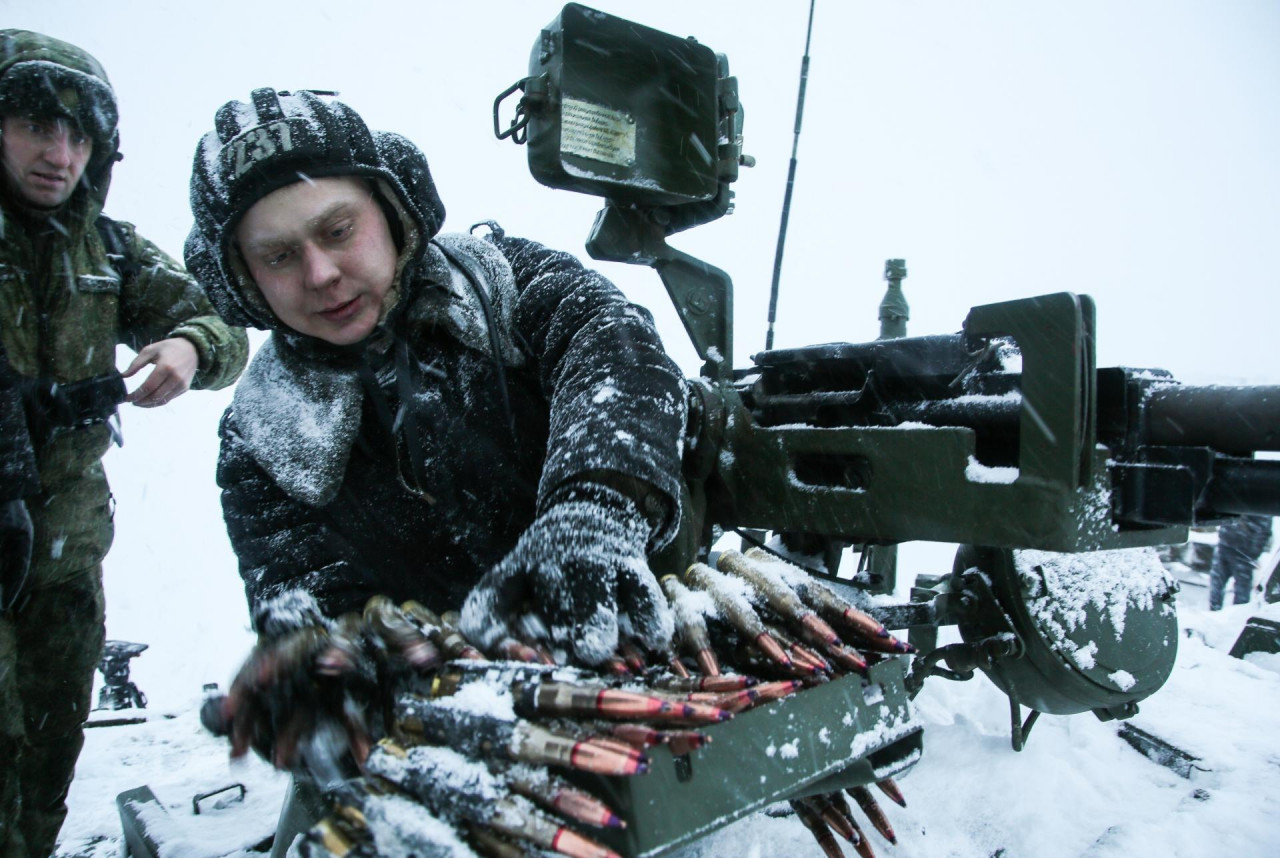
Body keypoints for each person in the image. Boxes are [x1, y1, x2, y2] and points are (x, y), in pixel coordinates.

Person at [186, 88, 685, 672]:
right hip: (461, 707)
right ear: (241, 281)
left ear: (393, 208)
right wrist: (322, 672)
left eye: (339, 230)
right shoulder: (261, 439)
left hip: (640, 635)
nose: (320, 274)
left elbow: (616, 353)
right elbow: (306, 602)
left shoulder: (507, 281)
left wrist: (595, 508)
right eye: (277, 257)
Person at [0, 30, 249, 858]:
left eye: (79, 135)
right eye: (37, 125)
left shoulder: (107, 247)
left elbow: (219, 321)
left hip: (65, 561)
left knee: (44, 762)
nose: (58, 153)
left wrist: (187, 347)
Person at [1207, 514, 1273, 611]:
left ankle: (1235, 617)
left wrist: (1253, 553)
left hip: (1244, 553)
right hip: (1225, 546)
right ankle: (1213, 613)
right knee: (1216, 585)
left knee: (1241, 593)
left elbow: (1265, 532)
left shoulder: (1261, 505)